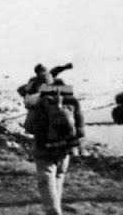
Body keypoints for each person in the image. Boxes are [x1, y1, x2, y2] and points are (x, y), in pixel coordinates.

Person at [30, 82, 84, 215]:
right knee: (59, 177)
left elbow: (30, 127)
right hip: (65, 148)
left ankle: (53, 211)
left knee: (46, 179)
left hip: (44, 148)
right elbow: (81, 131)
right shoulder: (73, 102)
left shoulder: (41, 103)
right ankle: (56, 207)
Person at [18, 63, 73, 134]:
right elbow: (55, 70)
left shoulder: (40, 78)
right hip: (37, 100)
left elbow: (55, 70)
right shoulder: (37, 79)